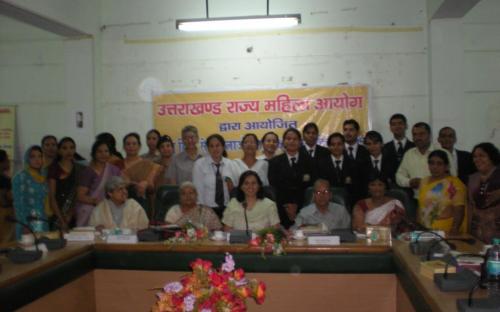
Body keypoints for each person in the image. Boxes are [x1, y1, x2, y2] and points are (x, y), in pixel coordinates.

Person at [268, 128, 315, 228]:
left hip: (304, 207)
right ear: (284, 142)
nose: (292, 141)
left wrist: (296, 205)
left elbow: (310, 187)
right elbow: (274, 186)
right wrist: (288, 205)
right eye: (288, 139)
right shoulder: (274, 162)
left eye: (295, 139)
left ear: (300, 142)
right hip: (281, 208)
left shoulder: (310, 161)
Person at [396, 122, 456, 197]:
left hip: (440, 199)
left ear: (429, 135)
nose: (418, 138)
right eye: (415, 134)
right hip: (416, 199)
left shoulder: (443, 153)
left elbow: (453, 177)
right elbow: (399, 175)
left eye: (421, 134)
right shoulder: (409, 154)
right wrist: (409, 182)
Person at [418, 150, 466, 235]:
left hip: (445, 231)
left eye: (439, 164)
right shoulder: (424, 181)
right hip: (424, 229)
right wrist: (417, 226)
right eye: (431, 163)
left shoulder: (454, 183)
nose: (434, 167)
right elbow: (420, 206)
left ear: (446, 166)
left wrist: (454, 229)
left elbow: (459, 209)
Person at [75, 140, 121, 226]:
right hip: (91, 206)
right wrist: (96, 202)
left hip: (111, 206)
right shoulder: (88, 172)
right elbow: (80, 196)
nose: (103, 154)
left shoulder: (114, 170)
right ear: (94, 154)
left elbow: (120, 189)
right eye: (99, 151)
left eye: (106, 151)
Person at [192, 134, 238, 218]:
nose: (215, 149)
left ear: (223, 147)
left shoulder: (231, 164)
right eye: (211, 146)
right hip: (208, 210)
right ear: (207, 148)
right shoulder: (199, 164)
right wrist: (202, 211)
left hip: (228, 209)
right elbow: (198, 190)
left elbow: (235, 189)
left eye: (218, 145)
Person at [12, 146, 49, 239]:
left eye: (40, 156)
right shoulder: (20, 177)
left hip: (43, 220)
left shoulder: (43, 177)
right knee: (29, 251)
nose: (37, 159)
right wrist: (24, 225)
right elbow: (18, 204)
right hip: (27, 223)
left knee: (45, 250)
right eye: (32, 156)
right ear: (27, 158)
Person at [48, 137, 84, 231]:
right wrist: (62, 220)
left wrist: (70, 214)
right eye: (64, 148)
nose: (69, 151)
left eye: (72, 148)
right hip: (57, 213)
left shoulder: (79, 168)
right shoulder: (54, 168)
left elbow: (78, 194)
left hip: (74, 213)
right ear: (59, 151)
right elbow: (52, 196)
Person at [468, 143, 500, 243]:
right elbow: (470, 206)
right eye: (475, 157)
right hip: (477, 232)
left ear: (491, 156)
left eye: (482, 155)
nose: (477, 159)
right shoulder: (472, 178)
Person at [121, 132, 161, 213]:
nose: (131, 146)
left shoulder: (148, 164)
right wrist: (131, 183)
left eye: (134, 144)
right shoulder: (118, 164)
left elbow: (151, 187)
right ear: (124, 147)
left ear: (139, 146)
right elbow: (115, 184)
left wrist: (146, 184)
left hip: (142, 201)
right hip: (121, 201)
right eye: (128, 144)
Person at [317, 132, 360, 206]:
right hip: (328, 203)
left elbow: (357, 188)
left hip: (349, 203)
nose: (336, 147)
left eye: (339, 144)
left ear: (344, 145)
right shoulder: (321, 164)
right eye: (333, 145)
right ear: (328, 147)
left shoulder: (353, 164)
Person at [0, 149, 14, 242]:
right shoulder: (4, 180)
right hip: (4, 216)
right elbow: (4, 201)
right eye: (7, 159)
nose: (9, 162)